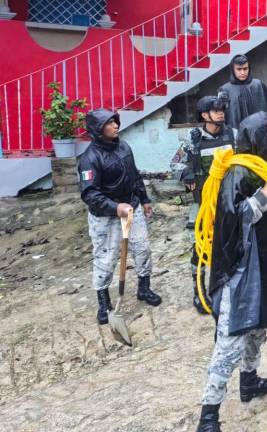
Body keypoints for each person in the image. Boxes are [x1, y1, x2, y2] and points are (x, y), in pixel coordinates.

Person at [194, 112, 267, 432]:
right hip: (240, 271)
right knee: (231, 339)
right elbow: (233, 222)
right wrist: (266, 191)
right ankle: (208, 416)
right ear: (263, 139)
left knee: (258, 327)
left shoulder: (264, 167)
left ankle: (249, 382)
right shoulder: (239, 172)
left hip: (263, 265)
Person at [78, 109, 162, 325]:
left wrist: (144, 199)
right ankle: (103, 301)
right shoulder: (89, 158)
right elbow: (90, 194)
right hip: (107, 216)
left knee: (142, 248)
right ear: (98, 130)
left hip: (131, 206)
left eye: (115, 121)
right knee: (106, 258)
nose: (116, 126)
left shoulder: (124, 146)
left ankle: (144, 288)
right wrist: (115, 208)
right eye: (110, 123)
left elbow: (134, 175)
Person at [174, 95, 237, 314]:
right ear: (204, 115)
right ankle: (199, 291)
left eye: (222, 109)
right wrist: (186, 173)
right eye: (216, 110)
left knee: (232, 245)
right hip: (203, 205)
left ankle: (229, 285)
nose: (221, 113)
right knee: (199, 249)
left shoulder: (233, 135)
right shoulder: (193, 139)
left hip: (229, 202)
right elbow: (174, 163)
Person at [217, 54, 267, 131]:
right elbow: (219, 114)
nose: (243, 72)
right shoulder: (225, 89)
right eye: (239, 69)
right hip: (236, 133)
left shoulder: (258, 85)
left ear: (249, 68)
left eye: (245, 68)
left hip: (260, 132)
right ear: (233, 69)